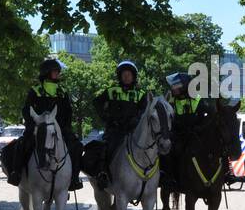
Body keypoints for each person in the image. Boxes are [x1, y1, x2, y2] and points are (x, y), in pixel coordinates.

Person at [21, 57, 84, 190]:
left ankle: (74, 178)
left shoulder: (62, 91)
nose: (57, 74)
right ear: (46, 72)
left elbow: (68, 111)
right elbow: (26, 110)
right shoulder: (35, 90)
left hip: (60, 128)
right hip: (38, 127)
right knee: (22, 145)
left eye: (58, 71)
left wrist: (65, 127)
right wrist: (32, 124)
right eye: (55, 71)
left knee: (77, 146)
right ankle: (17, 174)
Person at [92, 60, 151, 189]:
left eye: (129, 74)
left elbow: (144, 111)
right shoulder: (111, 90)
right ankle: (102, 174)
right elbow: (96, 103)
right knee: (106, 147)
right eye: (124, 74)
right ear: (120, 76)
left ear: (133, 76)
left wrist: (136, 120)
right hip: (114, 130)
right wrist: (106, 118)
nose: (126, 77)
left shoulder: (141, 94)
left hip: (133, 131)